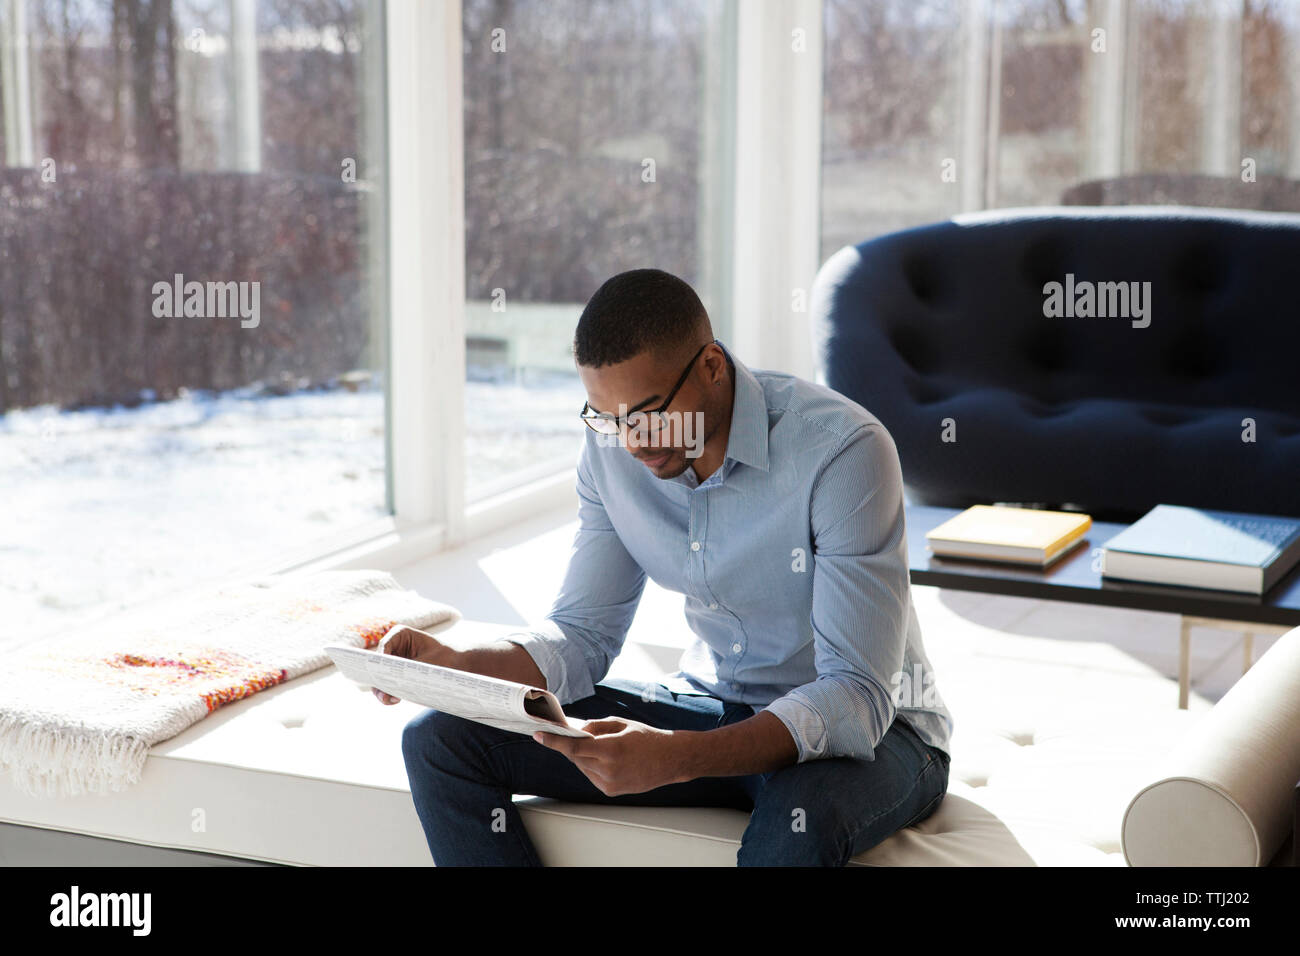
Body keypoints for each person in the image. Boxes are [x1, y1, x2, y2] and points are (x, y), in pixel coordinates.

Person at [383, 268, 953, 866]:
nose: (631, 442)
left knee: (798, 820)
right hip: (715, 704)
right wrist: (461, 669)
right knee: (440, 739)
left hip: (878, 736)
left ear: (711, 365)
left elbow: (854, 696)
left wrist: (676, 756)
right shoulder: (611, 450)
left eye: (649, 412)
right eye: (609, 418)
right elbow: (581, 635)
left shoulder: (843, 449)